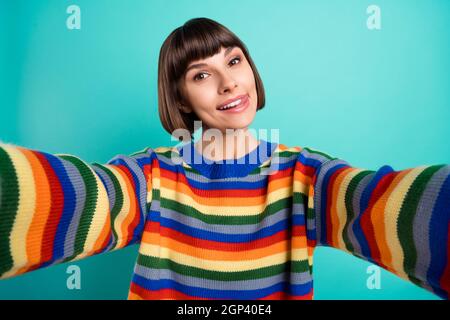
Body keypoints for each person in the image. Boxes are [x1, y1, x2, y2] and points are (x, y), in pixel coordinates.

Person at [0, 17, 448, 300]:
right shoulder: (151, 175)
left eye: (234, 62)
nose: (229, 83)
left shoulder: (304, 176)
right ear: (181, 97)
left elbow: (376, 203)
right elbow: (89, 198)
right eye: (201, 74)